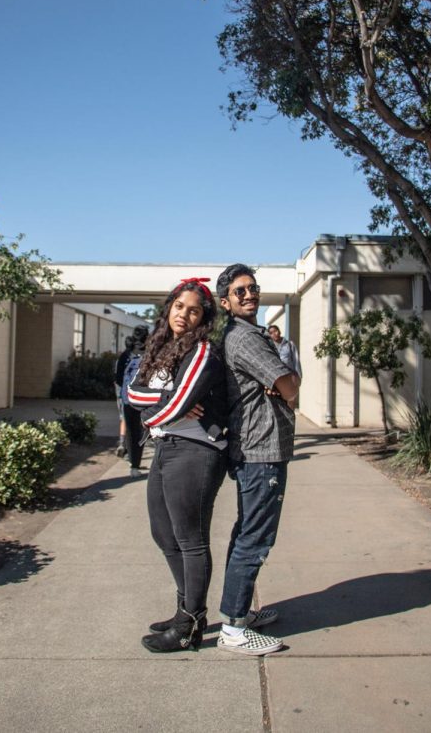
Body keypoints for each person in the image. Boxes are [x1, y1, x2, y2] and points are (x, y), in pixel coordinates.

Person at [127, 277, 228, 653]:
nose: (184, 314)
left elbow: (165, 406)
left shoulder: (202, 351)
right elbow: (133, 392)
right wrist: (172, 400)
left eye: (194, 310)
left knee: (190, 539)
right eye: (179, 306)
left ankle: (190, 625)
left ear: (203, 317)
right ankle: (184, 610)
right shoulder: (162, 347)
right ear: (169, 307)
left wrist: (166, 405)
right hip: (166, 446)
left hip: (196, 450)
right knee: (163, 534)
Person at [215, 263, 300, 655]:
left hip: (259, 450)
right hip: (260, 451)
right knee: (255, 537)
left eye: (253, 288)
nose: (249, 295)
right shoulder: (247, 339)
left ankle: (239, 612)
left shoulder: (248, 335)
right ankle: (232, 629)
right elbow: (290, 384)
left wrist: (280, 387)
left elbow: (281, 385)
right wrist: (284, 387)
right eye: (240, 291)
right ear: (226, 302)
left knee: (247, 532)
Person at [120, 325, 149, 477]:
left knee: (131, 432)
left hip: (127, 398)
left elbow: (118, 378)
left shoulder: (126, 354)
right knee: (143, 431)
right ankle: (138, 461)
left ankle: (134, 466)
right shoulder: (150, 353)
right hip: (145, 399)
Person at [114, 335, 134, 458]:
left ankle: (122, 442)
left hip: (120, 391)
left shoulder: (121, 358)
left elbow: (116, 376)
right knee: (132, 419)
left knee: (123, 417)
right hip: (131, 392)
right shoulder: (135, 357)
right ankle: (129, 446)